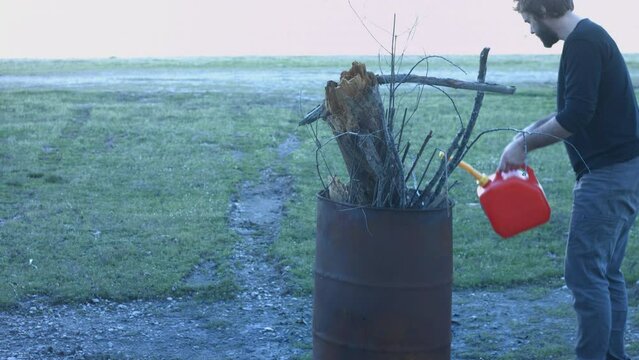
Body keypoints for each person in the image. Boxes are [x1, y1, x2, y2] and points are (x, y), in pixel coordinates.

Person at [499, 0, 639, 359]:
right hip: (622, 172)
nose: (531, 30)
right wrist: (524, 135)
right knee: (605, 273)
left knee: (585, 275)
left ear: (543, 9)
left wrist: (523, 146)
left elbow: (576, 115)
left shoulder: (584, 43)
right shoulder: (585, 39)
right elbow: (573, 107)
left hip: (608, 178)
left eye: (529, 21)